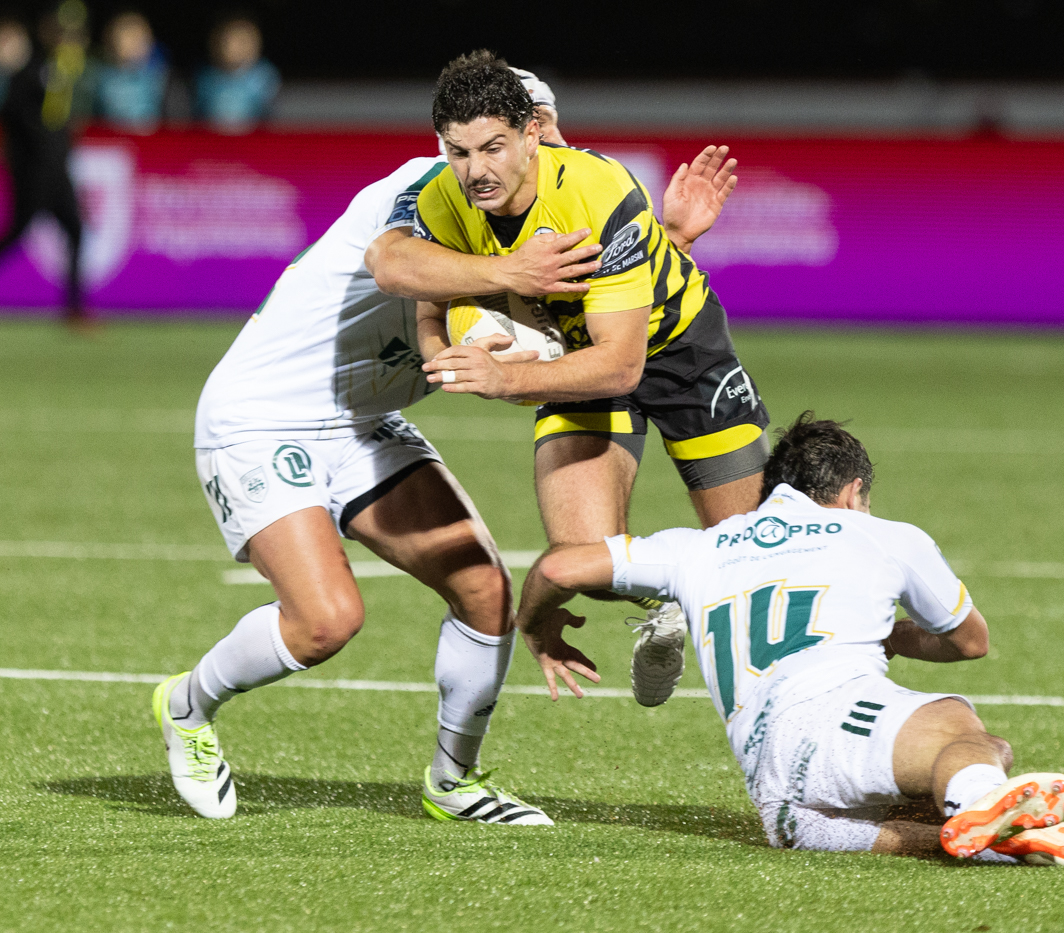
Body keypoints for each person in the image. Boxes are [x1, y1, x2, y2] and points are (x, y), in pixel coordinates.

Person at [152, 67, 733, 824]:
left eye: (539, 128)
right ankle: (187, 705)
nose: (537, 144)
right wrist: (509, 273)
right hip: (263, 417)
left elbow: (597, 316)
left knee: (485, 592)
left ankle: (453, 781)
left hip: (365, 423)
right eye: (471, 146)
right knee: (326, 621)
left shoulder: (556, 207)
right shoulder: (428, 190)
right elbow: (394, 264)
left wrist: (669, 239)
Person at [512, 413, 1064, 864]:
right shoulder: (882, 535)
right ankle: (982, 804)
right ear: (852, 491)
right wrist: (896, 638)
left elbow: (560, 567)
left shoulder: (696, 548)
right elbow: (968, 642)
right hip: (823, 727)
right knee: (958, 726)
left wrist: (537, 630)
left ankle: (999, 839)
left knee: (976, 764)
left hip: (782, 799)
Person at [377, 51, 764, 710]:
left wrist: (504, 380)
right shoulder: (441, 196)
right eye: (459, 151)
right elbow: (419, 292)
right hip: (571, 361)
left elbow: (622, 364)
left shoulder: (596, 190)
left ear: (531, 134)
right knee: (583, 558)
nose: (475, 169)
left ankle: (710, 585)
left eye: (493, 147)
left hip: (680, 354)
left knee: (755, 562)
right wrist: (444, 353)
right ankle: (668, 599)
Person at [0, 1, 90, 326]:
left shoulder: (61, 71)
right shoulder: (30, 73)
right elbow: (21, 124)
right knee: (16, 232)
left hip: (56, 168)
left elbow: (59, 123)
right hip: (35, 171)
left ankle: (75, 308)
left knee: (74, 229)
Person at [194, 14, 279, 133]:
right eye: (229, 41)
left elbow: (270, 114)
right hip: (212, 139)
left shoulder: (263, 76)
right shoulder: (206, 77)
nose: (236, 47)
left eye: (243, 41)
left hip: (253, 139)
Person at [87, 11, 168, 133]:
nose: (135, 44)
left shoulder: (162, 77)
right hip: (113, 140)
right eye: (129, 37)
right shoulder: (100, 79)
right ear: (112, 42)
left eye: (141, 38)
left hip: (151, 140)